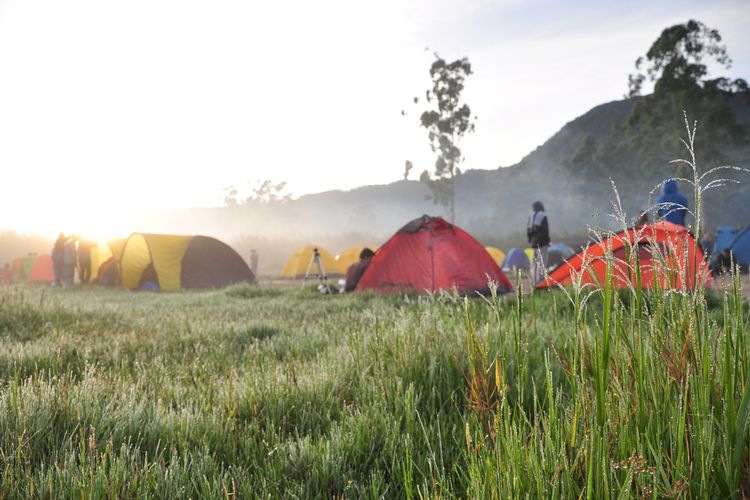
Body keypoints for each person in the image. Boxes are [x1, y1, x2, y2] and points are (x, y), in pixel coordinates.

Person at [527, 200, 550, 284]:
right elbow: (545, 230)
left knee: (535, 263)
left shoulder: (531, 216)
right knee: (542, 262)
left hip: (534, 244)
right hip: (542, 243)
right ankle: (541, 282)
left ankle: (534, 281)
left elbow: (528, 231)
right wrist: (547, 241)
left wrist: (530, 241)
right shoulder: (543, 215)